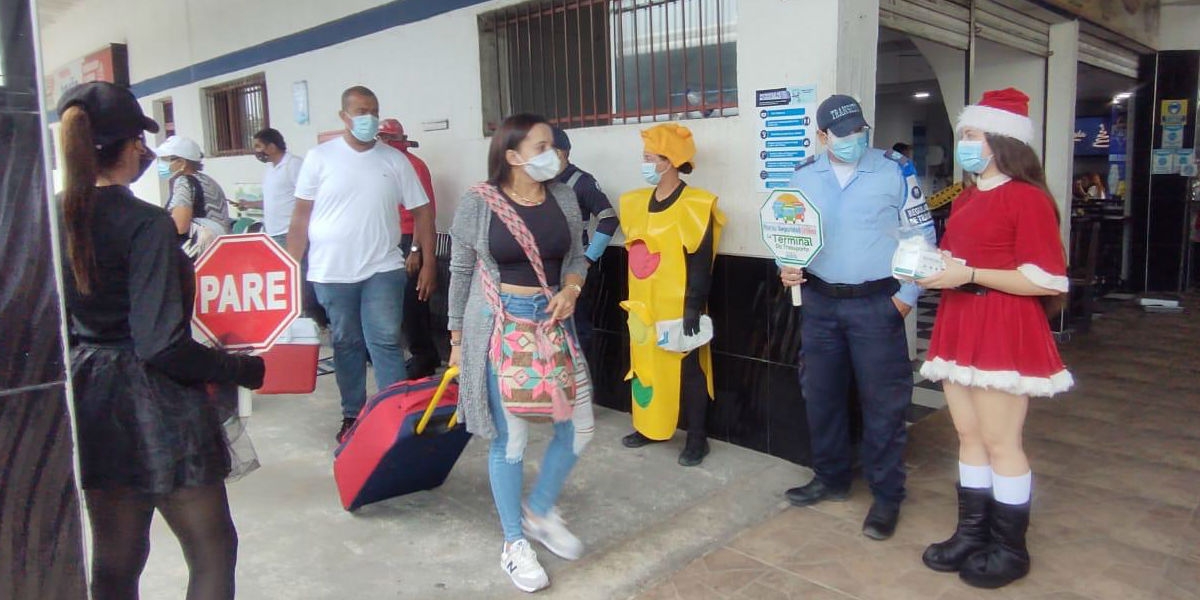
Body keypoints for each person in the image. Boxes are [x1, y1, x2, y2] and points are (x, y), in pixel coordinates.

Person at [56, 82, 266, 600]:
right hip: (159, 402)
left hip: (92, 398)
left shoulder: (53, 216)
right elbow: (160, 345)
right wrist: (240, 369)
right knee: (213, 550)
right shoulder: (146, 225)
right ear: (131, 147)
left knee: (116, 556)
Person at [916, 88, 1073, 589]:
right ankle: (972, 533)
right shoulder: (965, 196)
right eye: (963, 134)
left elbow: (1047, 280)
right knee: (967, 435)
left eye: (972, 135)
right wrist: (931, 270)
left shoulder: (1028, 199)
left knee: (1002, 441)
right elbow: (958, 265)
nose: (964, 143)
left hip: (1004, 327)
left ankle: (1010, 547)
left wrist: (969, 275)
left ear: (1004, 141)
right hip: (960, 323)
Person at [447, 113, 595, 593]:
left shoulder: (564, 196)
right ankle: (514, 542)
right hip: (499, 323)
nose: (554, 153)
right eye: (542, 146)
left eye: (552, 144)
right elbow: (462, 270)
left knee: (578, 426)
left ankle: (539, 510)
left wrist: (571, 288)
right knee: (509, 440)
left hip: (554, 321)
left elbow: (576, 254)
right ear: (512, 156)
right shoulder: (478, 202)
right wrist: (455, 341)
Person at [779, 94, 936, 540]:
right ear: (823, 136)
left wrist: (906, 297)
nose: (854, 139)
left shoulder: (893, 170)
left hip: (877, 304)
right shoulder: (804, 175)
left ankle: (887, 496)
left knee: (883, 404)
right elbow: (788, 230)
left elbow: (921, 235)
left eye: (859, 130)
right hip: (819, 303)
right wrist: (785, 266)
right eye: (842, 133)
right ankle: (831, 478)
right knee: (822, 396)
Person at [286, 86, 436, 443]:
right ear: (344, 116)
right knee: (346, 342)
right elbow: (300, 218)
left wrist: (427, 260)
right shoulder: (319, 158)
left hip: (382, 268)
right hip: (330, 272)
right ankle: (352, 414)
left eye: (373, 110)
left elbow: (423, 212)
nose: (368, 117)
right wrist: (290, 270)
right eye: (360, 111)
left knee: (384, 339)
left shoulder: (395, 161)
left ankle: (394, 415)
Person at [618, 123, 725, 467]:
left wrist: (693, 306)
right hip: (643, 307)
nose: (645, 163)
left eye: (650, 157)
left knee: (689, 369)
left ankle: (697, 438)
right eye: (644, 157)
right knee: (645, 367)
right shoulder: (634, 202)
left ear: (671, 161)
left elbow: (700, 260)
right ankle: (648, 426)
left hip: (679, 305)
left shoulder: (696, 204)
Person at [242, 128, 328, 330]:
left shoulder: (294, 165)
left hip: (291, 234)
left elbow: (308, 197)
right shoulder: (271, 169)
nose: (256, 151)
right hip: (273, 234)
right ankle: (298, 319)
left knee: (301, 280)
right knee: (286, 280)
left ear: (272, 146)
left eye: (258, 146)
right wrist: (250, 204)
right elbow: (276, 199)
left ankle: (316, 320)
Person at [378, 118, 440, 379]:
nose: (381, 143)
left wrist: (416, 250)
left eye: (386, 138)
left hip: (411, 240)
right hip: (393, 239)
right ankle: (419, 354)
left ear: (397, 141)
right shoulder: (388, 165)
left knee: (414, 302)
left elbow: (424, 213)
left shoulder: (413, 166)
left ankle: (424, 356)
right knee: (402, 304)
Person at [551, 125, 619, 353]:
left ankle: (583, 385)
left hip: (574, 271)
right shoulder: (539, 183)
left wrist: (588, 258)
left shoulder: (582, 182)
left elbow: (609, 220)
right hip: (548, 270)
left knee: (577, 335)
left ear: (560, 153)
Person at [154, 135, 231, 259]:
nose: (160, 164)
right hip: (218, 251)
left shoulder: (183, 182)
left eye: (165, 159)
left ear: (182, 162)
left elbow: (180, 226)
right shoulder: (208, 180)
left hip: (197, 256)